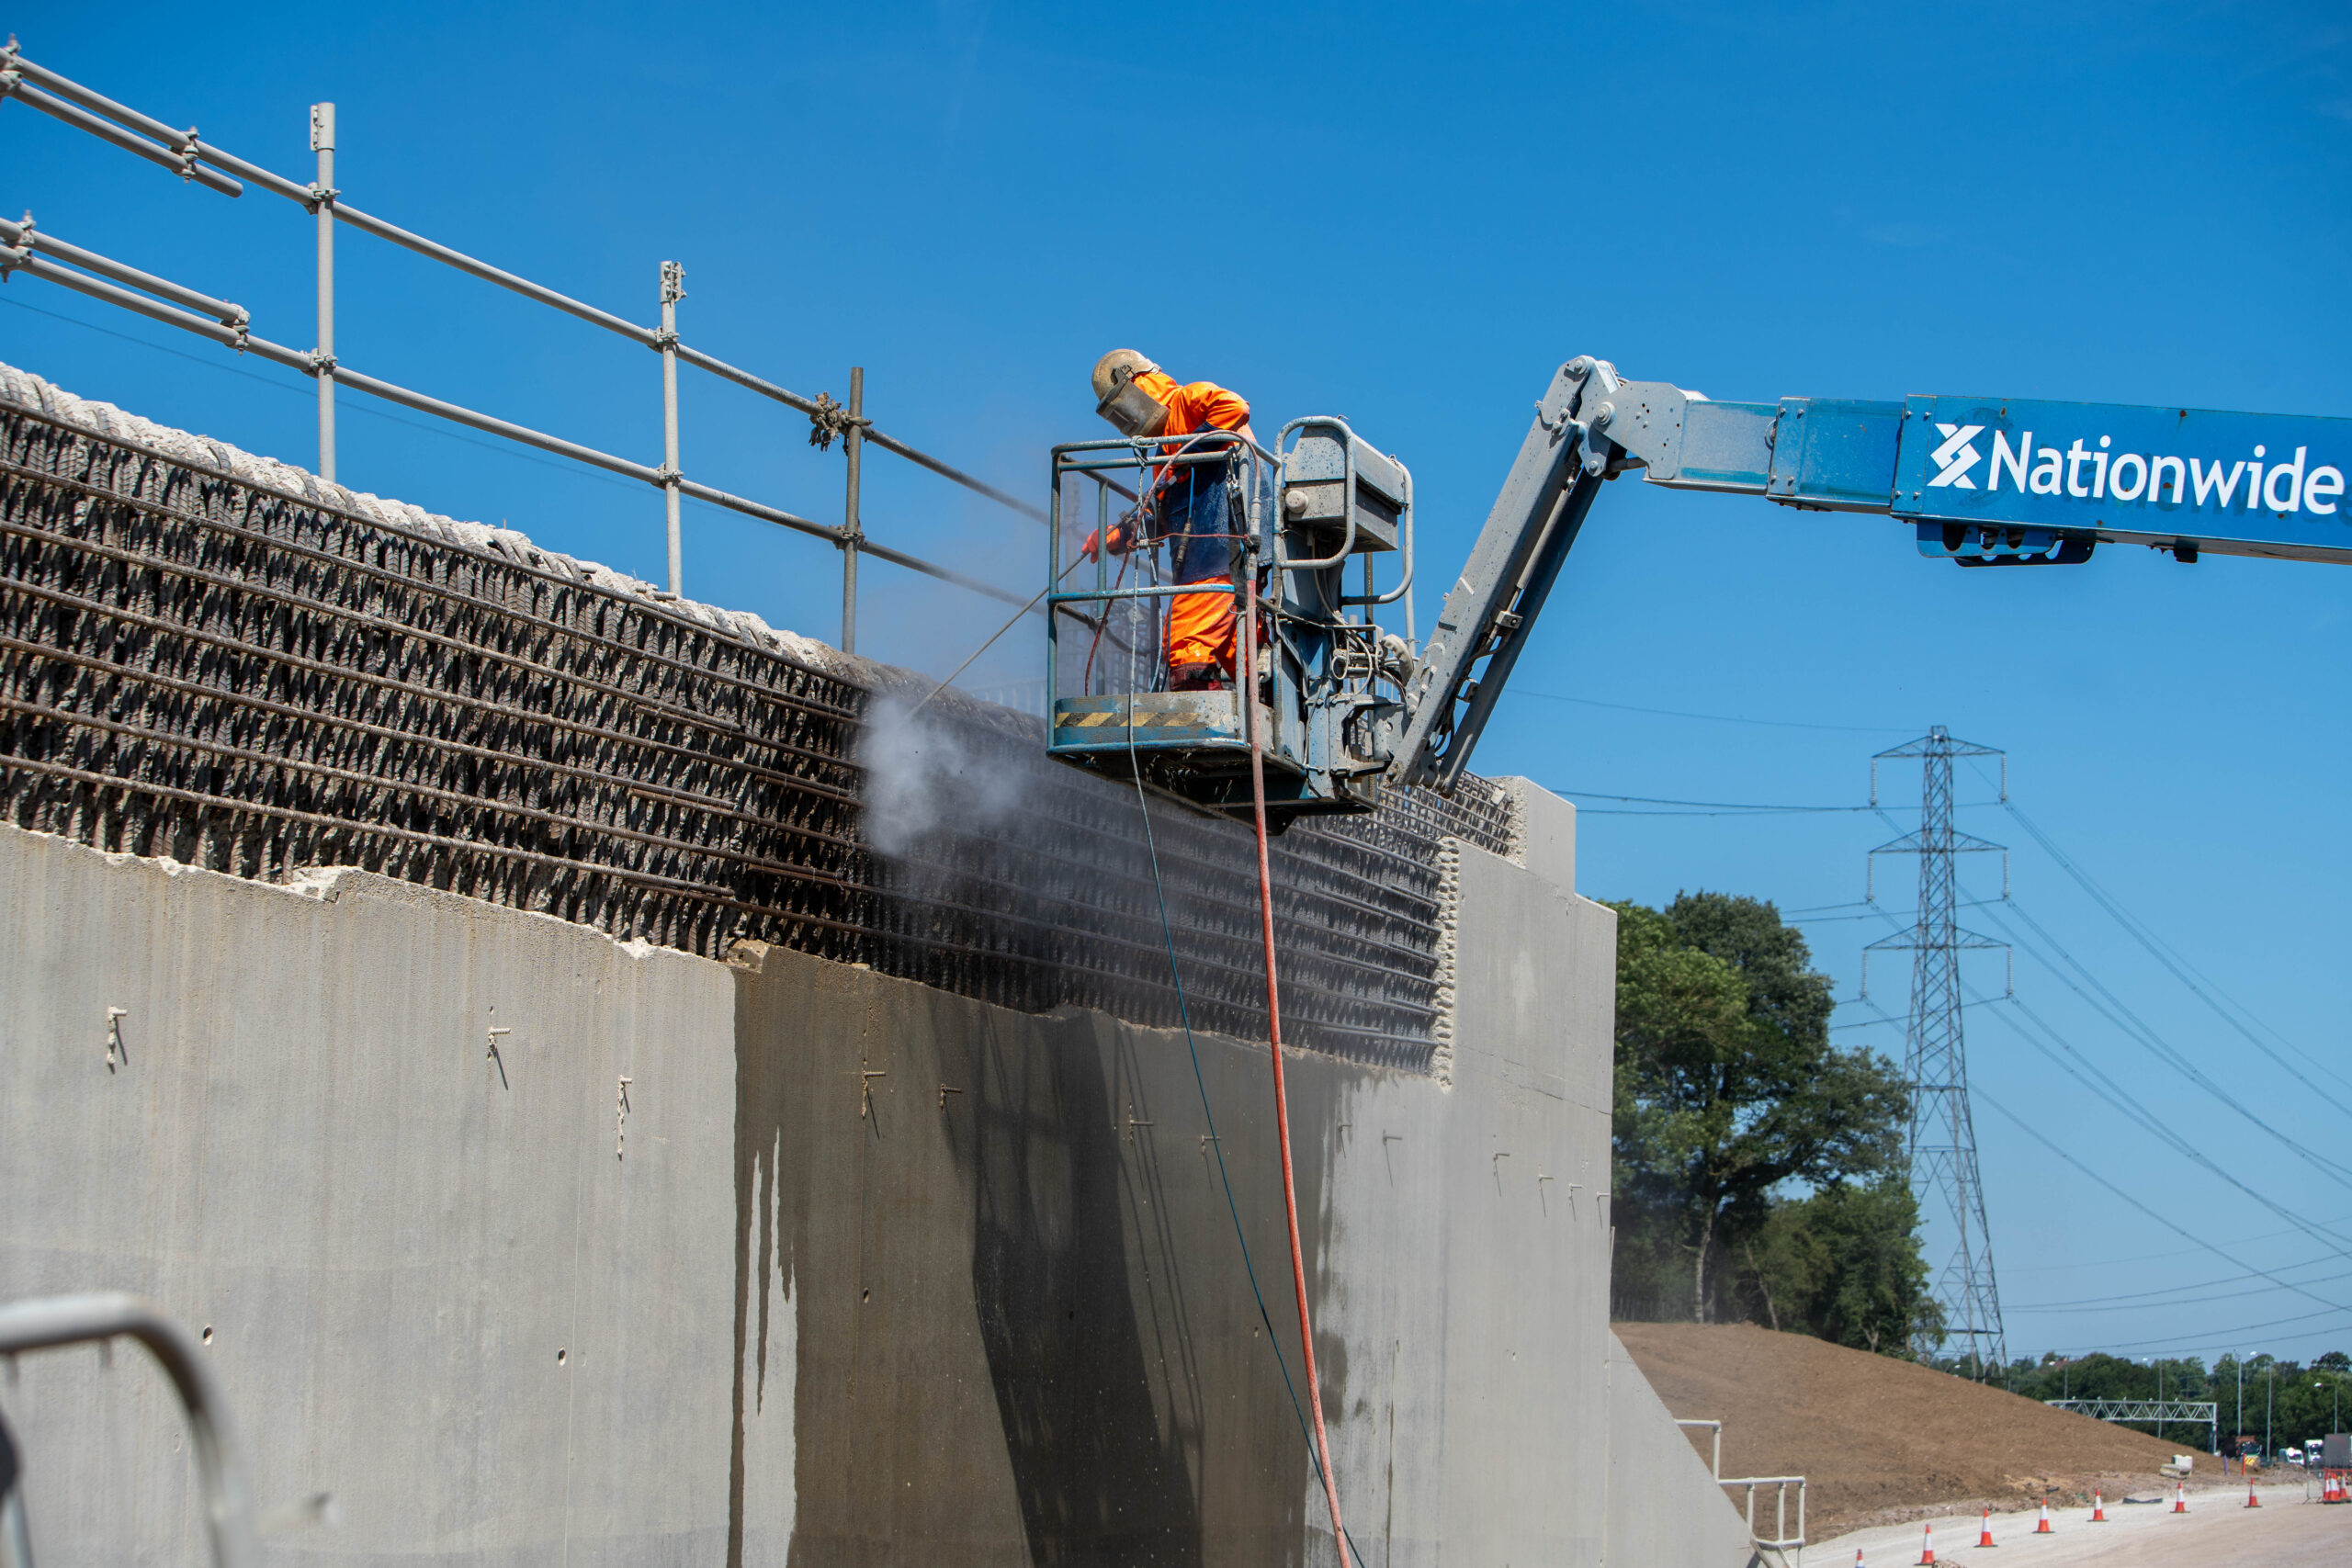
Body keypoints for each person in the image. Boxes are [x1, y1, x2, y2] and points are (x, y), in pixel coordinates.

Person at [1082, 350, 1255, 690]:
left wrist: (1186, 450)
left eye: (1122, 408)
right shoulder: (1164, 454)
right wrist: (1118, 535)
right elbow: (1160, 516)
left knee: (1185, 642)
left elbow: (1234, 407)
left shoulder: (1187, 401)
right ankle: (1260, 716)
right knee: (1242, 651)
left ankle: (1202, 734)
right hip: (1208, 566)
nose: (1126, 422)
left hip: (1221, 556)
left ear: (1138, 382)